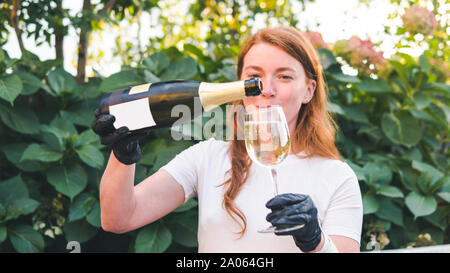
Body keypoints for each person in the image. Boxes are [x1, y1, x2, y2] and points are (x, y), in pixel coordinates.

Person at [92, 26, 363, 253]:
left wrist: (314, 241)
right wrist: (122, 155)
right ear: (240, 86)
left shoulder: (337, 177)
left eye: (284, 76)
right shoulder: (207, 157)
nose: (266, 90)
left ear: (309, 90)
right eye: (254, 77)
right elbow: (118, 218)